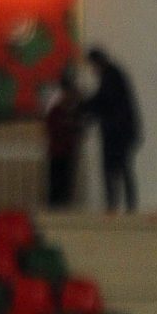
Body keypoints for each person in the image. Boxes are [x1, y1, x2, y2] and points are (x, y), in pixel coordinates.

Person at [84, 48, 143, 214]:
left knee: (116, 169)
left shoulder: (110, 76)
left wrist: (84, 108)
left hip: (118, 133)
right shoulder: (113, 74)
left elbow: (103, 101)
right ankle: (124, 206)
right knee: (121, 169)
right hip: (121, 131)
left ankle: (116, 206)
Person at [43, 68, 87, 209]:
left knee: (66, 185)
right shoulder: (56, 111)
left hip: (68, 152)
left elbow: (79, 129)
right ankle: (55, 209)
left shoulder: (72, 113)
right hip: (58, 152)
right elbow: (53, 129)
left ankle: (64, 207)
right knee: (56, 184)